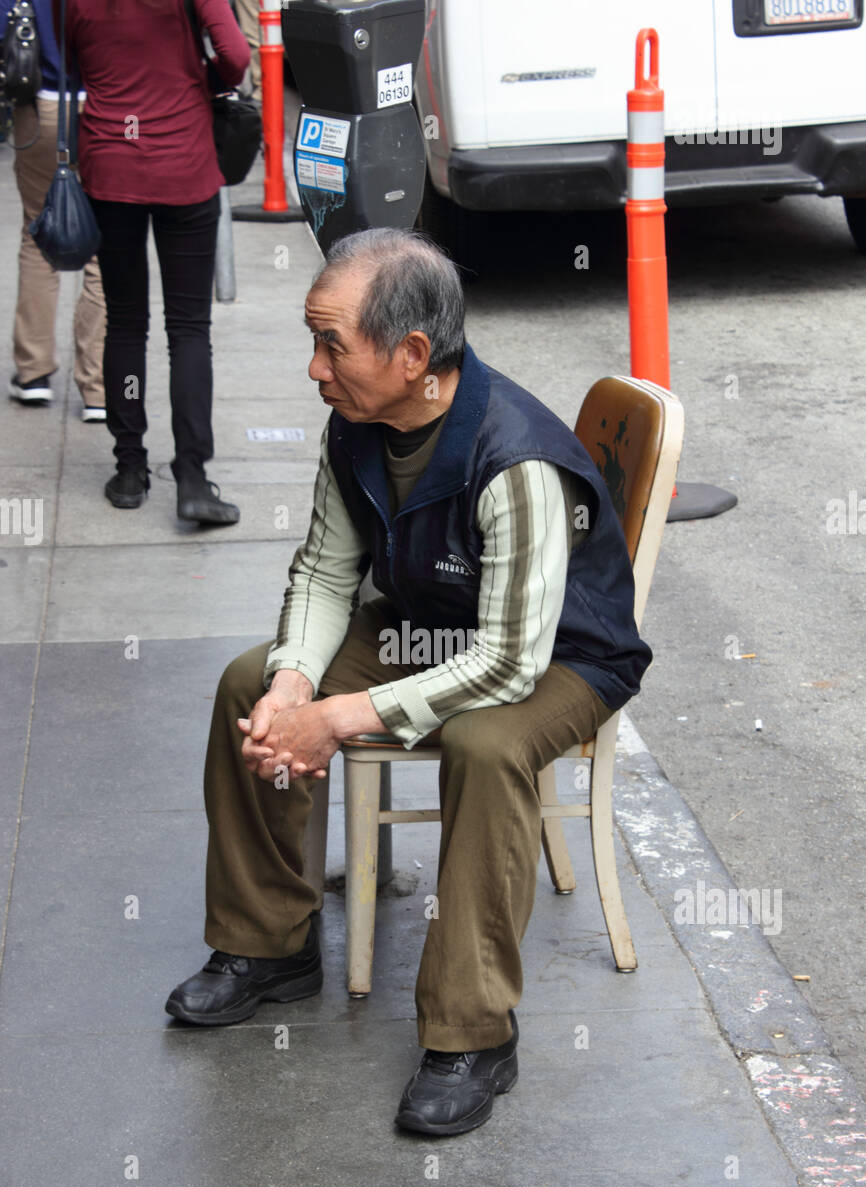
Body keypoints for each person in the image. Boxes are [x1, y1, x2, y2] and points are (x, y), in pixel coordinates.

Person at [166, 228, 653, 1136]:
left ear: (412, 355)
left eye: (330, 344)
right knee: (247, 681)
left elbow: (509, 661)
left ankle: (473, 1033)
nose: (315, 368)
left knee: (485, 739)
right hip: (432, 625)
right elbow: (322, 571)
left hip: (559, 654)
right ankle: (267, 945)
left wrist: (344, 712)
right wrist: (293, 682)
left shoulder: (516, 461)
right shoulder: (360, 422)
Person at [60, 0, 247, 523]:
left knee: (124, 323)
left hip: (110, 164)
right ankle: (191, 475)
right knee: (189, 329)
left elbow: (75, 61)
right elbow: (234, 55)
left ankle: (128, 468)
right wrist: (198, 78)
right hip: (183, 161)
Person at [3, 0, 106, 421]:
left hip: (40, 108)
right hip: (107, 109)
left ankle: (33, 374)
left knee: (36, 234)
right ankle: (98, 388)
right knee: (105, 249)